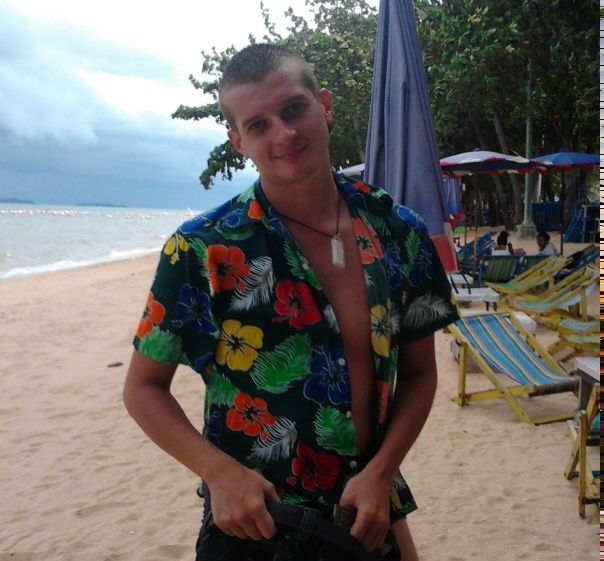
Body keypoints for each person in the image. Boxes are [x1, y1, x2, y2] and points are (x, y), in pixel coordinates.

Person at [123, 43, 458, 561]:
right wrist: (219, 474)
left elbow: (418, 375)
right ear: (238, 141)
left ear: (324, 105)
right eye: (258, 125)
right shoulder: (204, 248)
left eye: (294, 108)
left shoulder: (399, 232)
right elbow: (143, 388)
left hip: (366, 512)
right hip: (258, 525)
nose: (284, 134)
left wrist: (382, 472)